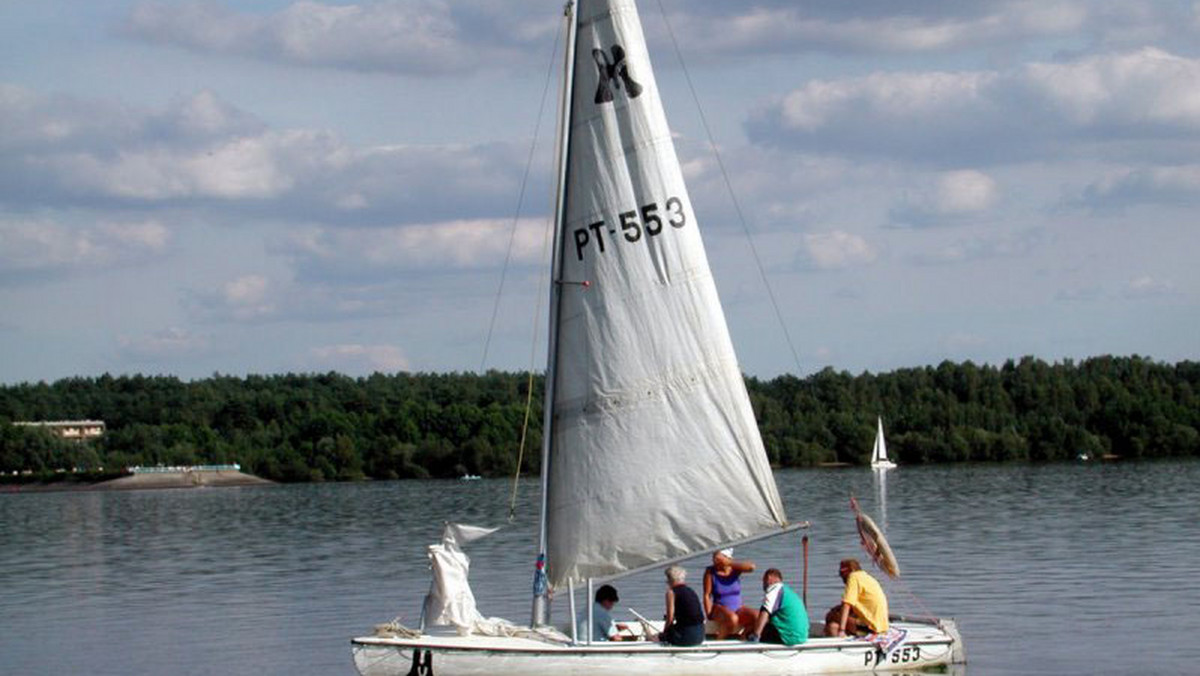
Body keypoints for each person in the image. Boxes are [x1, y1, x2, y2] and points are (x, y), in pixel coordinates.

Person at [825, 558, 889, 637]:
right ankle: (839, 636)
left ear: (849, 570)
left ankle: (838, 638)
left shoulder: (853, 577)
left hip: (871, 627)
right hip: (881, 625)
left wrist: (842, 629)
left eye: (841, 573)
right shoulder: (866, 577)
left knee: (831, 615)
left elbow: (847, 604)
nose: (841, 577)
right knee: (834, 625)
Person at [703, 548, 757, 639]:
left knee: (758, 616)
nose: (715, 562)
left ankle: (743, 638)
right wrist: (709, 614)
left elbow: (751, 567)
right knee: (733, 619)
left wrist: (728, 563)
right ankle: (719, 641)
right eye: (714, 559)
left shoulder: (734, 570)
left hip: (738, 607)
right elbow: (707, 595)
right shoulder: (710, 572)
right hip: (719, 608)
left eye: (718, 559)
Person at [745, 568, 809, 645]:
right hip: (802, 637)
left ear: (769, 578)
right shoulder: (787, 591)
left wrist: (756, 635)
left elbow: (765, 611)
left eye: (763, 581)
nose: (763, 585)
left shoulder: (775, 589)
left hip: (788, 637)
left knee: (749, 631)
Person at [659, 566, 705, 646]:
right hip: (701, 634)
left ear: (670, 580)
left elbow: (670, 617)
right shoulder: (690, 591)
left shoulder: (671, 593)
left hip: (687, 636)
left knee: (657, 636)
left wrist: (665, 634)